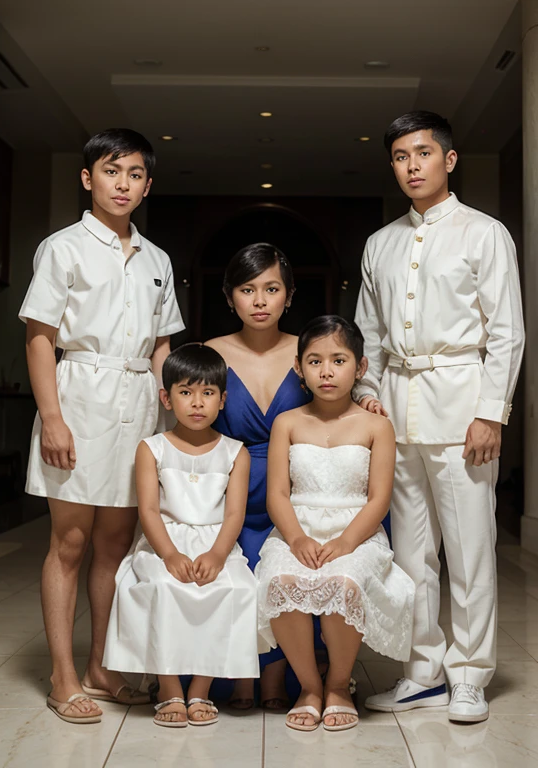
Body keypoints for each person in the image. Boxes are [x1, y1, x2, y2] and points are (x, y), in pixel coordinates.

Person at [356, 111, 525, 723]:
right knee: (410, 551)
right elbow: (369, 334)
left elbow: (506, 332)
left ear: (448, 160)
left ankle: (471, 673)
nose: (411, 166)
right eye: (400, 156)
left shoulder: (485, 233)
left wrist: (491, 413)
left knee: (470, 546)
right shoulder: (381, 242)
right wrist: (368, 395)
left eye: (422, 154)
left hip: (462, 400)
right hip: (396, 405)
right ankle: (422, 671)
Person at [19, 129, 185, 724]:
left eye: (136, 174)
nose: (124, 184)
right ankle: (63, 677)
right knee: (69, 542)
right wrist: (53, 419)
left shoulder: (157, 259)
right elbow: (40, 338)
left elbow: (164, 345)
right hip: (79, 395)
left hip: (139, 401)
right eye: (112, 171)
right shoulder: (61, 248)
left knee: (117, 543)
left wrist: (171, 412)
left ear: (146, 184)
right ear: (89, 178)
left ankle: (102, 668)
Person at [256, 315, 415, 732]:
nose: (326, 371)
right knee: (282, 584)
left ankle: (339, 685)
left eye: (339, 360)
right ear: (299, 368)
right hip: (298, 528)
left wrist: (346, 542)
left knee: (344, 583)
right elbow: (278, 494)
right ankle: (310, 687)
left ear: (360, 368)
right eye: (315, 361)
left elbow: (379, 498)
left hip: (356, 532)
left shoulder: (376, 425)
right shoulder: (286, 423)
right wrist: (295, 538)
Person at [103, 344, 259, 727]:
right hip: (164, 543)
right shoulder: (151, 449)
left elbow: (235, 513)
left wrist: (219, 555)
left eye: (207, 393)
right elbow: (150, 511)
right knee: (161, 586)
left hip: (216, 544)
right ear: (166, 398)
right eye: (185, 392)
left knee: (234, 588)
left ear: (222, 400)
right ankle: (169, 686)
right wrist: (170, 555)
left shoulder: (235, 453)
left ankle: (201, 689)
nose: (197, 403)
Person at [206, 243, 311, 710]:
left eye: (272, 289)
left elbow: (337, 400)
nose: (261, 300)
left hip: (296, 490)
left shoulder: (308, 350)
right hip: (234, 488)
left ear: (289, 296)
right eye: (248, 290)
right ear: (230, 298)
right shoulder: (210, 351)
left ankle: (279, 675)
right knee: (243, 566)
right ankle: (241, 673)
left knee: (286, 569)